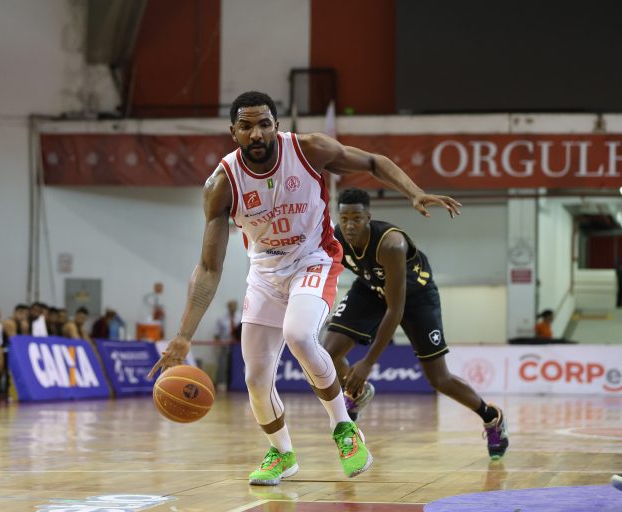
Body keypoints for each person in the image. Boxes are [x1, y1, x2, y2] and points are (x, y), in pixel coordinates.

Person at [149, 91, 461, 486]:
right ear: (233, 132)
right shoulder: (222, 184)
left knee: (299, 334)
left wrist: (413, 191)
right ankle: (281, 454)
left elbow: (373, 162)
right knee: (255, 378)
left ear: (276, 126)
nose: (256, 133)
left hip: (314, 259)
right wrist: (183, 336)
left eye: (264, 124)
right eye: (246, 126)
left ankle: (345, 429)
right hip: (264, 274)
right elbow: (210, 268)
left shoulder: (309, 149)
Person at [322, 188, 508, 460]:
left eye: (357, 218)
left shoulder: (391, 244)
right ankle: (358, 393)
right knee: (327, 353)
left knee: (439, 379)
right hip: (370, 288)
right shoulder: (336, 238)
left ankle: (491, 417)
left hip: (414, 297)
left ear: (368, 217)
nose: (350, 225)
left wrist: (368, 363)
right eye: (345, 218)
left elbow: (395, 310)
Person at [214, 299, 242, 389]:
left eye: (234, 306)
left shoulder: (240, 317)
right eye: (231, 306)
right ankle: (221, 383)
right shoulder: (221, 318)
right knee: (223, 364)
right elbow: (217, 333)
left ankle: (233, 384)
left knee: (235, 364)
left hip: (237, 346)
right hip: (225, 344)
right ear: (228, 307)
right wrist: (217, 346)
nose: (233, 308)